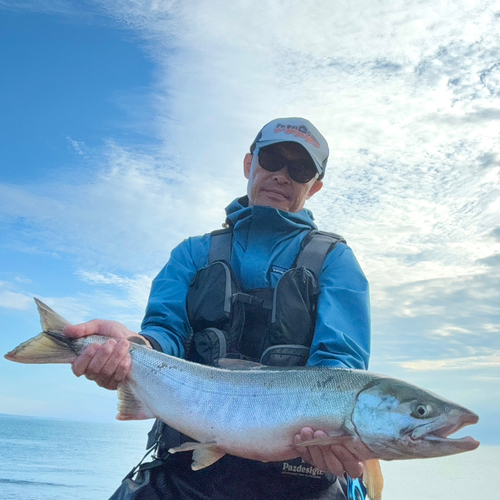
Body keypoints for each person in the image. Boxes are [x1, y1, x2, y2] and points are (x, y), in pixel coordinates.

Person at [65, 117, 371, 500]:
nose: (281, 175)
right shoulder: (192, 253)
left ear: (315, 186)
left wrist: (333, 425)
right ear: (249, 163)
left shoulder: (336, 261)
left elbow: (340, 364)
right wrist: (132, 349)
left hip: (300, 476)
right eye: (273, 159)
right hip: (184, 468)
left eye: (300, 168)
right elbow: (164, 333)